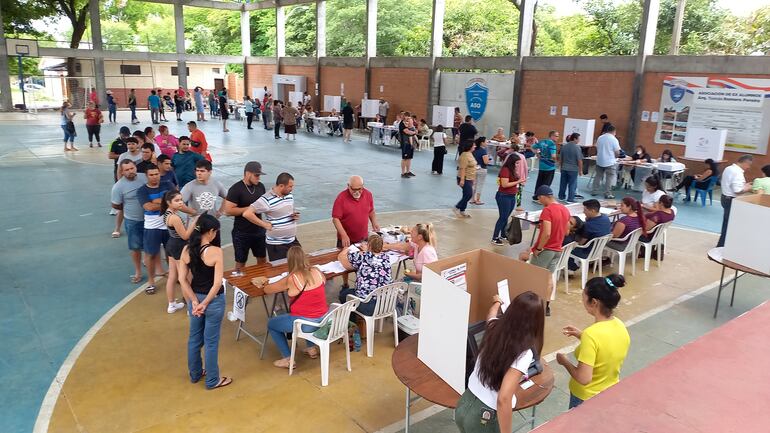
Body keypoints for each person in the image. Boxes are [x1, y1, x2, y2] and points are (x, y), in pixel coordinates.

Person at [455, 291, 544, 433]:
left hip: (464, 403)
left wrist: (497, 302)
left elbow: (491, 315)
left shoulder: (494, 327)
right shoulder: (523, 353)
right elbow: (503, 399)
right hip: (484, 416)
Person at [556, 274, 630, 408]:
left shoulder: (591, 335)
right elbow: (605, 346)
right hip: (609, 391)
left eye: (583, 297)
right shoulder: (620, 326)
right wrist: (581, 335)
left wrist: (564, 362)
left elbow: (584, 378)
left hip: (585, 397)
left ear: (594, 302)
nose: (582, 301)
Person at [178, 213, 232, 389]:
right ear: (210, 232)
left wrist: (194, 301)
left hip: (196, 298)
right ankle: (212, 380)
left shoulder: (186, 251)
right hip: (213, 301)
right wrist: (205, 303)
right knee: (211, 342)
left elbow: (182, 279)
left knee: (194, 339)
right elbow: (217, 283)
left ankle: (195, 374)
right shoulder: (215, 252)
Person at [253, 246, 329, 368]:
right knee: (310, 309)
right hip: (322, 319)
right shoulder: (317, 271)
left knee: (272, 324)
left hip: (305, 323)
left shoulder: (292, 279)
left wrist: (265, 283)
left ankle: (288, 358)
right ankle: (311, 349)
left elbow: (268, 290)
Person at [518, 186, 571, 315]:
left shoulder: (547, 211)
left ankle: (531, 305)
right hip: (557, 249)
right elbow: (566, 231)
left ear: (543, 196)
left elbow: (546, 233)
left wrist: (538, 248)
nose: (539, 201)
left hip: (546, 249)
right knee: (548, 278)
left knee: (534, 277)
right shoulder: (565, 209)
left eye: (539, 199)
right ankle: (546, 306)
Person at [242, 172, 300, 261]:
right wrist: (264, 224)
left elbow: (288, 210)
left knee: (301, 265)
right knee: (282, 272)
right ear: (281, 186)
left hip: (292, 240)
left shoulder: (289, 196)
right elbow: (247, 213)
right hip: (277, 244)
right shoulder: (266, 199)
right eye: (290, 186)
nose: (292, 189)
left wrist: (293, 215)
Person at [223, 162, 268, 275]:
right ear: (248, 174)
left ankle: (262, 280)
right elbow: (228, 210)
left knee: (262, 259)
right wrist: (251, 208)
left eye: (259, 175)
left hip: (259, 231)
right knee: (241, 262)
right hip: (242, 233)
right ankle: (238, 285)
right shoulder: (236, 189)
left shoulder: (260, 187)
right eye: (256, 175)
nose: (259, 178)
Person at [137, 164, 174, 296]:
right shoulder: (142, 191)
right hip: (152, 227)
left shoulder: (168, 184)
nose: (155, 177)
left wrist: (157, 201)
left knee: (171, 254)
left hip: (168, 224)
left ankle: (173, 276)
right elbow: (149, 207)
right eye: (151, 175)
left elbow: (176, 201)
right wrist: (165, 201)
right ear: (146, 176)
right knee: (150, 255)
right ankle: (151, 282)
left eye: (156, 174)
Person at [338, 234, 393, 315]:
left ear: (369, 246)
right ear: (381, 247)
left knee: (343, 295)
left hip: (367, 304)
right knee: (348, 293)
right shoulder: (386, 258)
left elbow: (341, 258)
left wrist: (346, 249)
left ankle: (354, 320)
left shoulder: (363, 256)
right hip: (385, 303)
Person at [111, 160, 146, 284]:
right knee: (135, 247)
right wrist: (129, 210)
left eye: (132, 168)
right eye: (127, 170)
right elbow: (115, 205)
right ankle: (138, 271)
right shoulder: (118, 187)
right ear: (122, 171)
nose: (130, 171)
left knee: (151, 245)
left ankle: (150, 263)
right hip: (133, 221)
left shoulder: (144, 177)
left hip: (149, 219)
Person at [161, 191, 195, 313]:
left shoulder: (167, 213)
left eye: (181, 199)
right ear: (169, 202)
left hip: (171, 244)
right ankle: (190, 307)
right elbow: (185, 236)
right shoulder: (175, 217)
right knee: (184, 278)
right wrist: (194, 222)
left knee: (172, 275)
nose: (180, 202)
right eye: (177, 200)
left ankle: (171, 304)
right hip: (179, 247)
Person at [332, 175, 380, 248]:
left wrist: (374, 222)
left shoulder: (368, 194)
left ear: (363, 186)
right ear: (348, 186)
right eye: (354, 189)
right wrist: (343, 235)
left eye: (359, 189)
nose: (357, 192)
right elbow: (335, 219)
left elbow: (371, 210)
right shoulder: (341, 198)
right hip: (347, 240)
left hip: (363, 239)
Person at [717, 155, 753, 247]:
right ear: (745, 163)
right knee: (729, 224)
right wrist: (749, 188)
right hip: (731, 199)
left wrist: (745, 185)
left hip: (725, 196)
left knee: (727, 222)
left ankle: (722, 244)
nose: (748, 168)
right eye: (749, 165)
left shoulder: (728, 168)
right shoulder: (737, 173)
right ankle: (722, 245)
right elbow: (737, 190)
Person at [568, 199, 611, 271]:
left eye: (585, 210)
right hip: (599, 249)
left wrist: (574, 244)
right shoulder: (605, 218)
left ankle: (572, 268)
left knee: (568, 245)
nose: (583, 212)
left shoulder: (589, 225)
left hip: (588, 252)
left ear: (592, 211)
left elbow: (582, 243)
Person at [492, 153, 524, 245]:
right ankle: (495, 237)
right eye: (517, 163)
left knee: (505, 217)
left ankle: (503, 234)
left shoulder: (513, 170)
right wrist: (518, 181)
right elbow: (504, 184)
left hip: (511, 196)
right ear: (512, 162)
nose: (518, 165)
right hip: (504, 196)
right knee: (502, 217)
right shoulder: (505, 170)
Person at [592, 125, 620, 199]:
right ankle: (607, 193)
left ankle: (594, 191)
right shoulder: (614, 139)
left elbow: (597, 147)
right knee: (609, 178)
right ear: (614, 131)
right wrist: (616, 157)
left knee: (598, 176)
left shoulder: (600, 137)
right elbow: (617, 152)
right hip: (610, 162)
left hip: (600, 160)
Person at [532, 131, 559, 201]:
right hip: (549, 167)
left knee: (539, 181)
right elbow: (553, 156)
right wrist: (556, 161)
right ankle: (542, 199)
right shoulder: (552, 144)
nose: (557, 138)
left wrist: (538, 154)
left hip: (541, 166)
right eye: (556, 136)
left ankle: (536, 196)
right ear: (552, 136)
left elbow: (533, 147)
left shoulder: (542, 142)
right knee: (546, 183)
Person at [453, 140, 477, 218]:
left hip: (470, 178)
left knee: (466, 194)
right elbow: (462, 168)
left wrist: (473, 179)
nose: (475, 146)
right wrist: (462, 180)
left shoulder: (470, 154)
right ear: (470, 146)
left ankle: (462, 210)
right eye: (473, 145)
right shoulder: (464, 155)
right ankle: (457, 207)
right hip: (464, 178)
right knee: (469, 194)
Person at [559, 133, 583, 203]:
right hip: (573, 169)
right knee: (572, 184)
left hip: (564, 168)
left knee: (563, 183)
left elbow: (561, 158)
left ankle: (561, 197)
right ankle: (570, 199)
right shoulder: (577, 147)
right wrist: (580, 170)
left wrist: (561, 167)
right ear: (575, 139)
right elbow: (579, 160)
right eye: (578, 139)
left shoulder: (564, 146)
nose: (579, 140)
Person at [471, 137, 491, 205]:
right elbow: (485, 162)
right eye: (486, 142)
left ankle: (472, 199)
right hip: (482, 169)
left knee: (474, 184)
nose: (486, 143)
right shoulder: (483, 151)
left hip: (474, 168)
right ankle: (478, 200)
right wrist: (488, 160)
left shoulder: (474, 150)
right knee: (480, 184)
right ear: (482, 143)